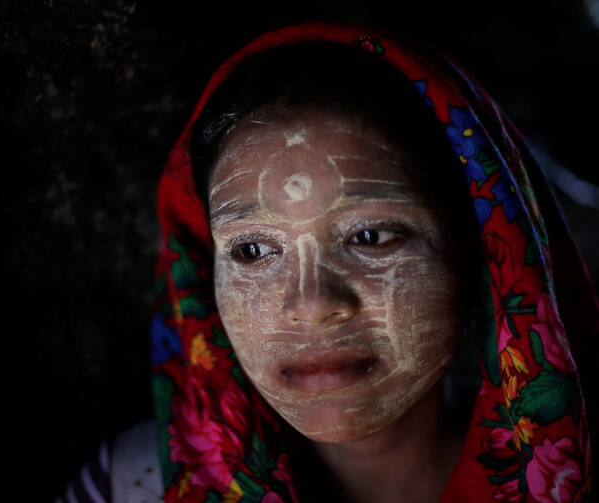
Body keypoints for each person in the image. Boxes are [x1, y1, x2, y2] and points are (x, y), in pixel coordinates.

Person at [60, 22, 595, 503]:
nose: (313, 306)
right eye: (252, 251)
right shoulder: (129, 486)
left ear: (480, 253)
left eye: (371, 235)